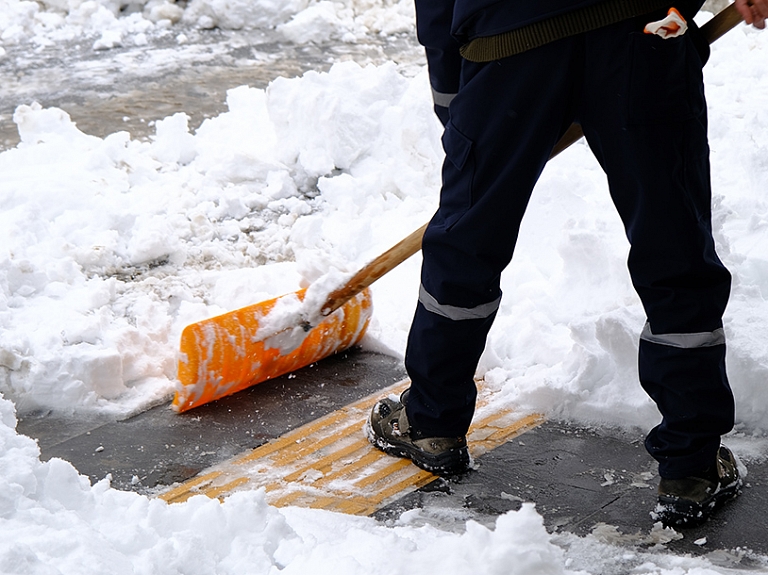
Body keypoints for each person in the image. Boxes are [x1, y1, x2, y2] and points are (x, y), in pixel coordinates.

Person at [366, 0, 766, 528]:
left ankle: (431, 422)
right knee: (673, 244)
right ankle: (692, 465)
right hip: (639, 34)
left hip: (510, 44)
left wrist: (462, 104)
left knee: (468, 242)